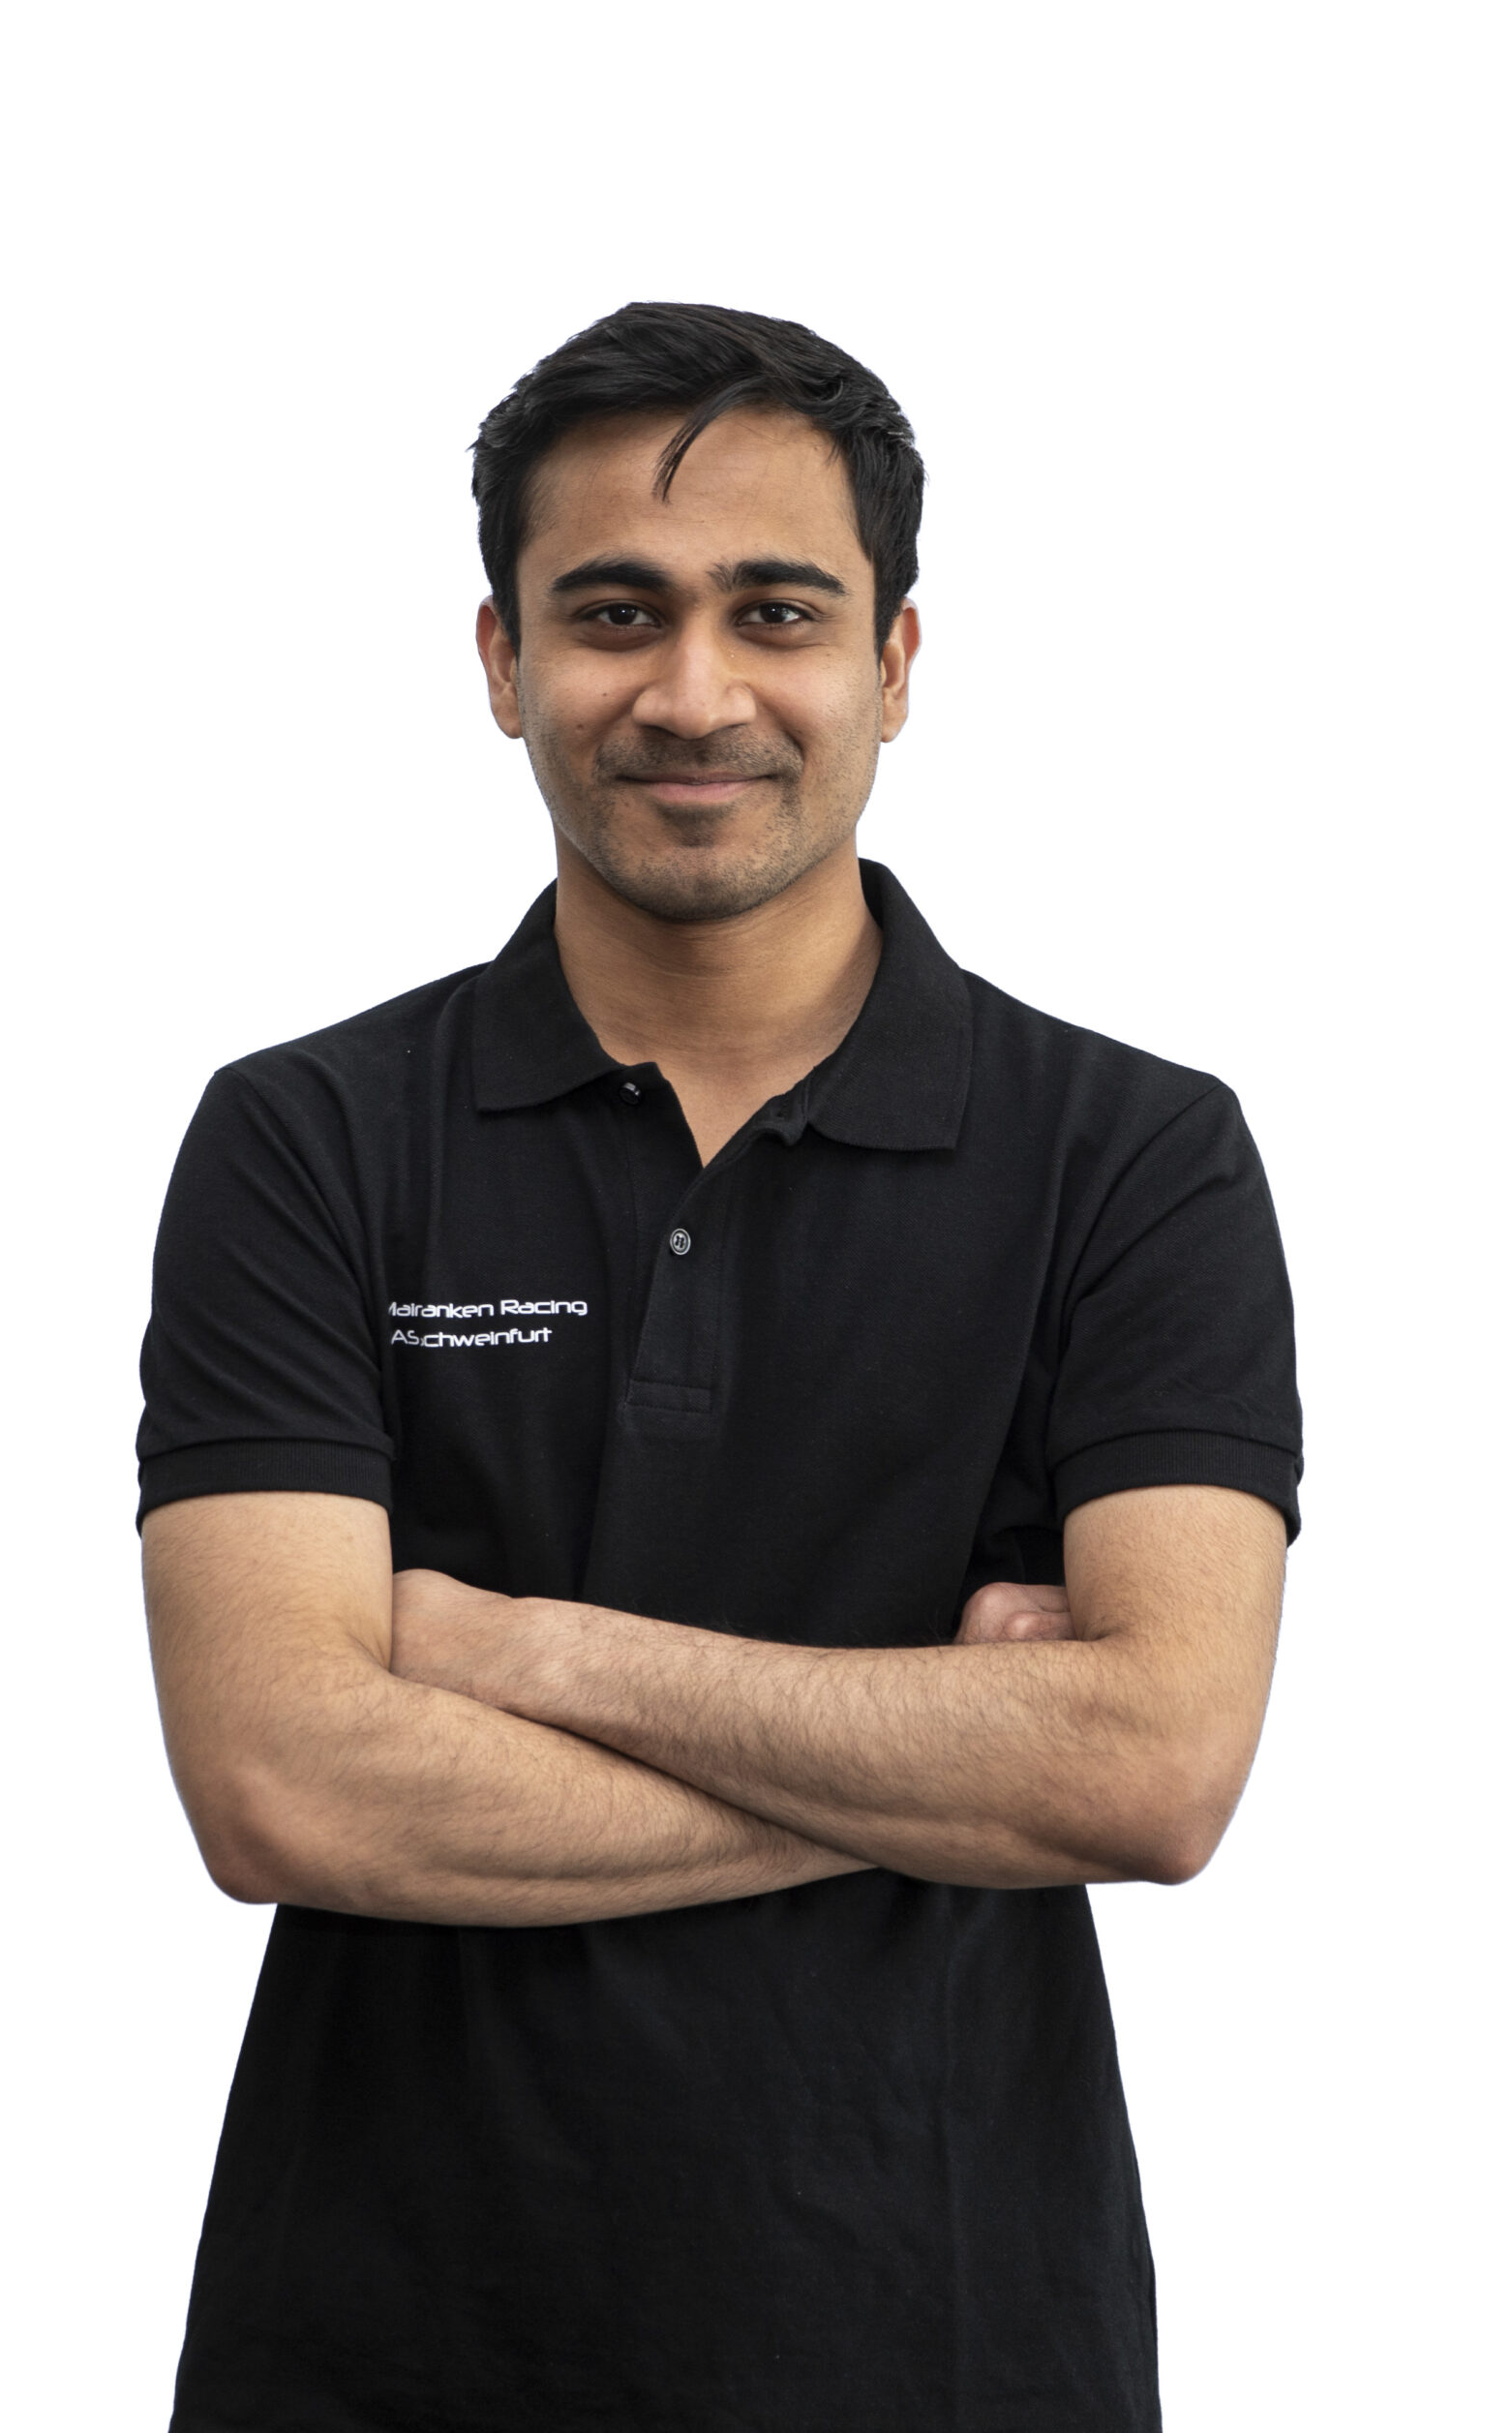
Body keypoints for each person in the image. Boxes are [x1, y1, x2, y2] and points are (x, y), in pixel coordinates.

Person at [137, 300, 1302, 2432]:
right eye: (612, 613)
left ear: (894, 662)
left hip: (955, 2349)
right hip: (379, 2352)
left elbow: (1149, 1771)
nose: (692, 693)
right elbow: (279, 1781)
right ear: (501, 662)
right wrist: (950, 1767)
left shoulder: (1129, 1155)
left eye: (776, 611)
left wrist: (514, 1650)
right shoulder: (308, 1139)